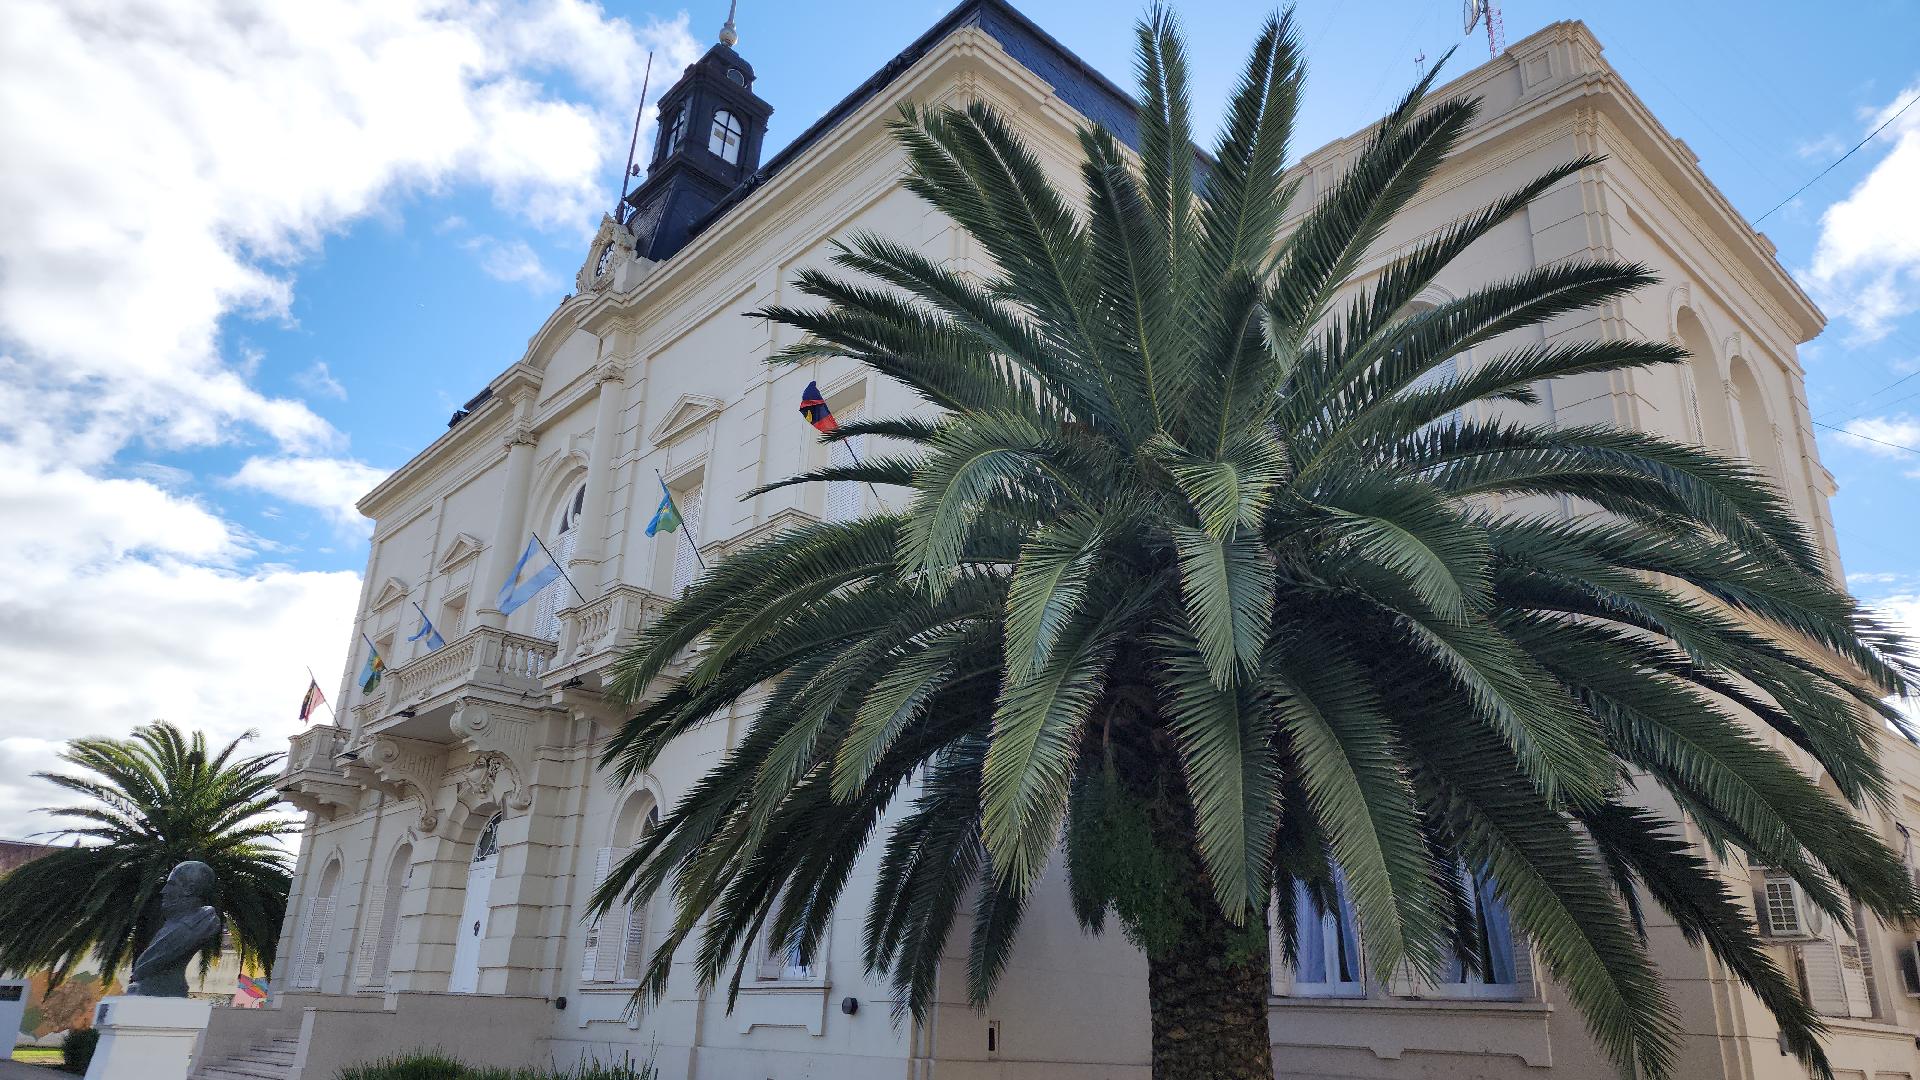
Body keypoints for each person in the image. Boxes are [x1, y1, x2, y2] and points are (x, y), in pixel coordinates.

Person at [127, 861, 221, 997]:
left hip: (168, 990)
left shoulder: (199, 925)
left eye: (171, 884)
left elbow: (145, 966)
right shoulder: (172, 924)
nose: (163, 891)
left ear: (189, 889)